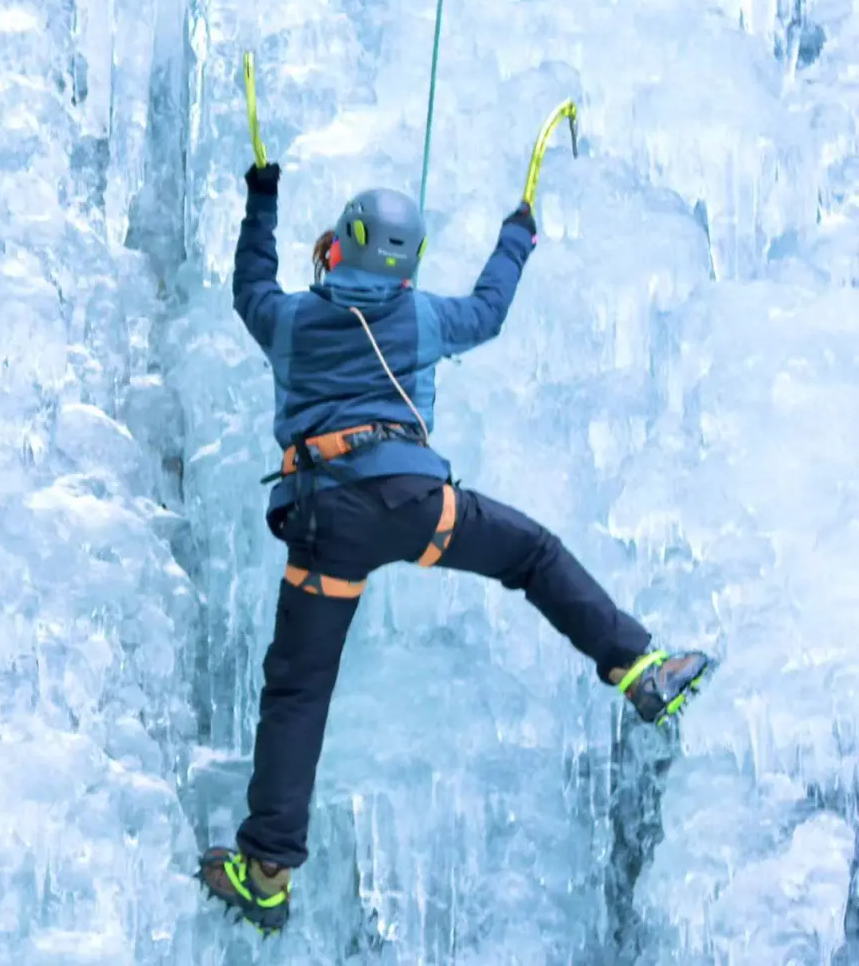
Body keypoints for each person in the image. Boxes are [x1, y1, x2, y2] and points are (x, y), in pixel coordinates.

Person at [199, 162, 712, 935]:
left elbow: (250, 284)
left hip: (327, 518)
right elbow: (489, 310)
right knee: (532, 555)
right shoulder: (423, 318)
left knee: (299, 691)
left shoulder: (292, 320)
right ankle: (637, 665)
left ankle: (266, 875)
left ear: (338, 249)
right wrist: (518, 234)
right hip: (418, 505)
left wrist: (261, 202)